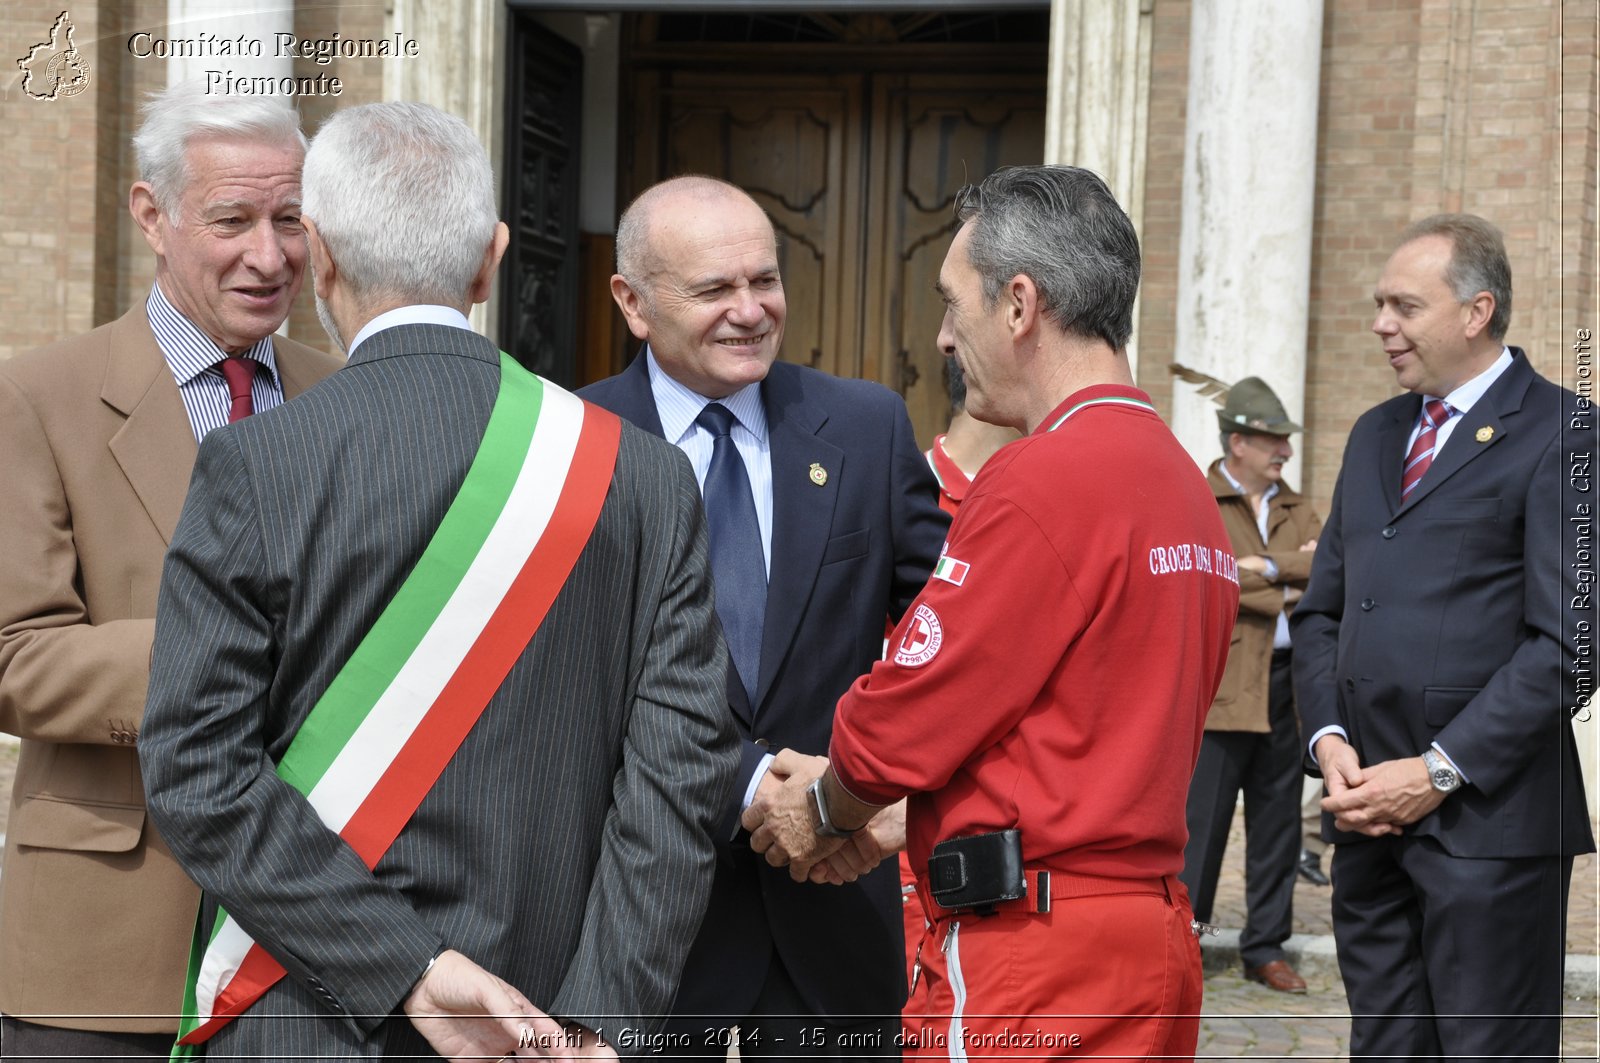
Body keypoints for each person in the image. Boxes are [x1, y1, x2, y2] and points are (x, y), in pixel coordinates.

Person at [139, 102, 737, 1060]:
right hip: (547, 1029)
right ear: (494, 257)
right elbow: (680, 775)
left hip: (311, 1016)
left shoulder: (256, 465)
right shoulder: (643, 474)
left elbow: (197, 773)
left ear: (318, 256)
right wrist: (596, 1022)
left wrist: (406, 966)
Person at [745, 165, 1239, 1058]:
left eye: (951, 302)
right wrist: (906, 819)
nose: (942, 334)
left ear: (1019, 304)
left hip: (1035, 950)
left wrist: (825, 805)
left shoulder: (1042, 476)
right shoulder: (1178, 479)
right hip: (1146, 933)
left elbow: (911, 712)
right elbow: (1080, 719)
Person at [0, 83, 341, 1057]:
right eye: (232, 219)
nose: (269, 257)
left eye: (289, 220)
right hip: (107, 953)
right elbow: (14, 655)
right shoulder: (35, 397)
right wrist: (232, 654)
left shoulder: (346, 395)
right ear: (150, 215)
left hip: (316, 938)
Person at [580, 175, 949, 1057]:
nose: (750, 311)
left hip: (833, 909)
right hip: (646, 922)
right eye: (715, 289)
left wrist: (887, 784)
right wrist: (756, 780)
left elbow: (954, 629)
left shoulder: (865, 426)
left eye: (765, 280)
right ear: (632, 303)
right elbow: (569, 681)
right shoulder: (571, 441)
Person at [1293, 213, 1594, 1058]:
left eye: (1404, 305)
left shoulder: (1563, 434)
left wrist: (1436, 772)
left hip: (1489, 830)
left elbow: (1571, 643)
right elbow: (1323, 611)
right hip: (1365, 818)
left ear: (1476, 311)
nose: (1382, 323)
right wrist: (1327, 740)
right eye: (1379, 303)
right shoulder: (1375, 432)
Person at [1179, 377, 1321, 995]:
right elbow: (1208, 584)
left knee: (1278, 826)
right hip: (1224, 686)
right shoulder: (1198, 500)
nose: (1283, 452)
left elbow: (1328, 569)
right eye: (1272, 441)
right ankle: (1186, 939)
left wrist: (1262, 567)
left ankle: (1266, 946)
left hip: (1286, 690)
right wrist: (1288, 584)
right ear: (1238, 442)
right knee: (1201, 827)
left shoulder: (1294, 505)